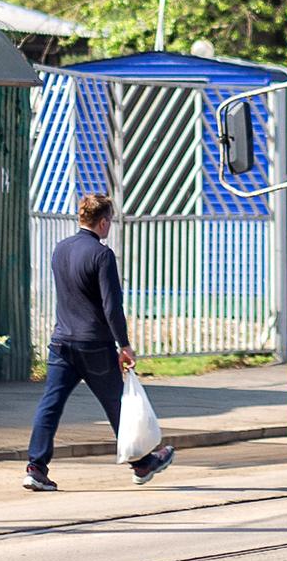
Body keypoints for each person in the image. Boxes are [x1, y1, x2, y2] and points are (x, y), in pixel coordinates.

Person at [24, 193, 175, 491]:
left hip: (61, 342)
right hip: (94, 344)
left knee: (50, 405)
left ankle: (35, 467)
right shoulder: (102, 255)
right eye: (110, 222)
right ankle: (143, 463)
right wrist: (124, 345)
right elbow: (111, 306)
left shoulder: (60, 249)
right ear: (103, 221)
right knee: (118, 405)